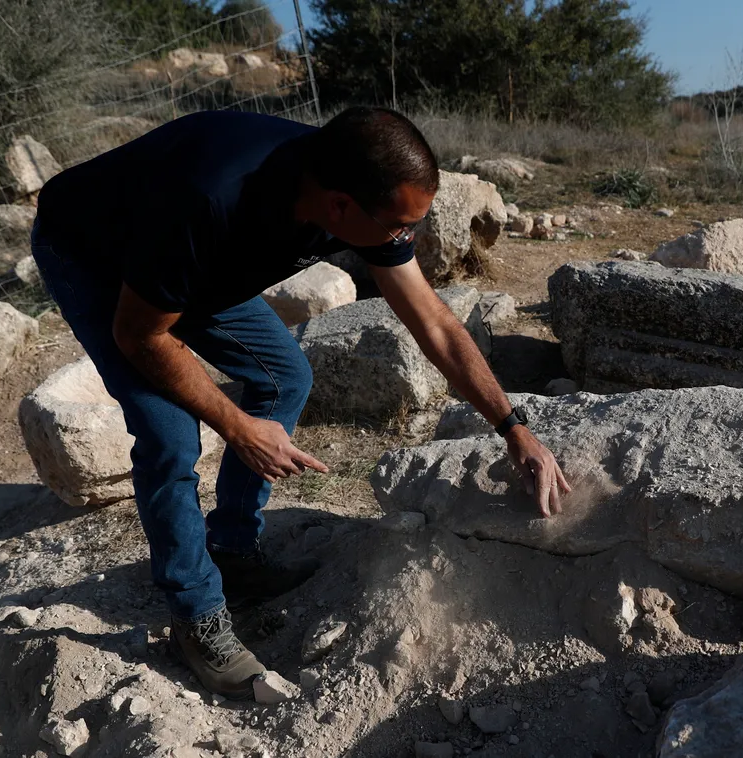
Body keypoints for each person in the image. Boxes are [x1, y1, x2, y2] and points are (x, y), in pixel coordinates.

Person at [30, 106, 571, 699]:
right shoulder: (210, 199)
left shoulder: (351, 186)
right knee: (171, 433)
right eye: (398, 226)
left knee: (285, 377)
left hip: (198, 266)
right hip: (97, 255)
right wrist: (237, 426)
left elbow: (437, 327)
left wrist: (513, 427)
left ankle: (233, 549)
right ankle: (197, 615)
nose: (406, 239)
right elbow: (140, 335)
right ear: (340, 208)